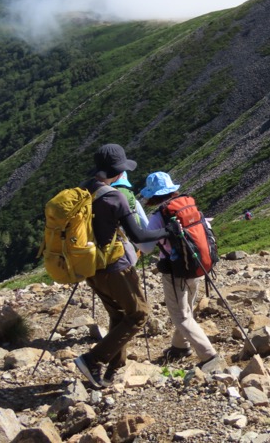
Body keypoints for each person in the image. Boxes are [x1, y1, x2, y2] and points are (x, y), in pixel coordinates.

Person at [74, 144, 180, 389]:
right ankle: (93, 359)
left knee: (119, 314)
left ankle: (113, 367)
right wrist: (168, 230)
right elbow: (139, 235)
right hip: (115, 266)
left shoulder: (83, 189)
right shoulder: (114, 196)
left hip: (91, 266)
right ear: (118, 170)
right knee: (139, 314)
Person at [140, 172, 218, 367]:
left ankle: (209, 355)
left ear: (154, 195)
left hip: (175, 270)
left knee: (180, 315)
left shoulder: (160, 215)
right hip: (196, 264)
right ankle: (180, 346)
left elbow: (148, 245)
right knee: (187, 309)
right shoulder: (188, 205)